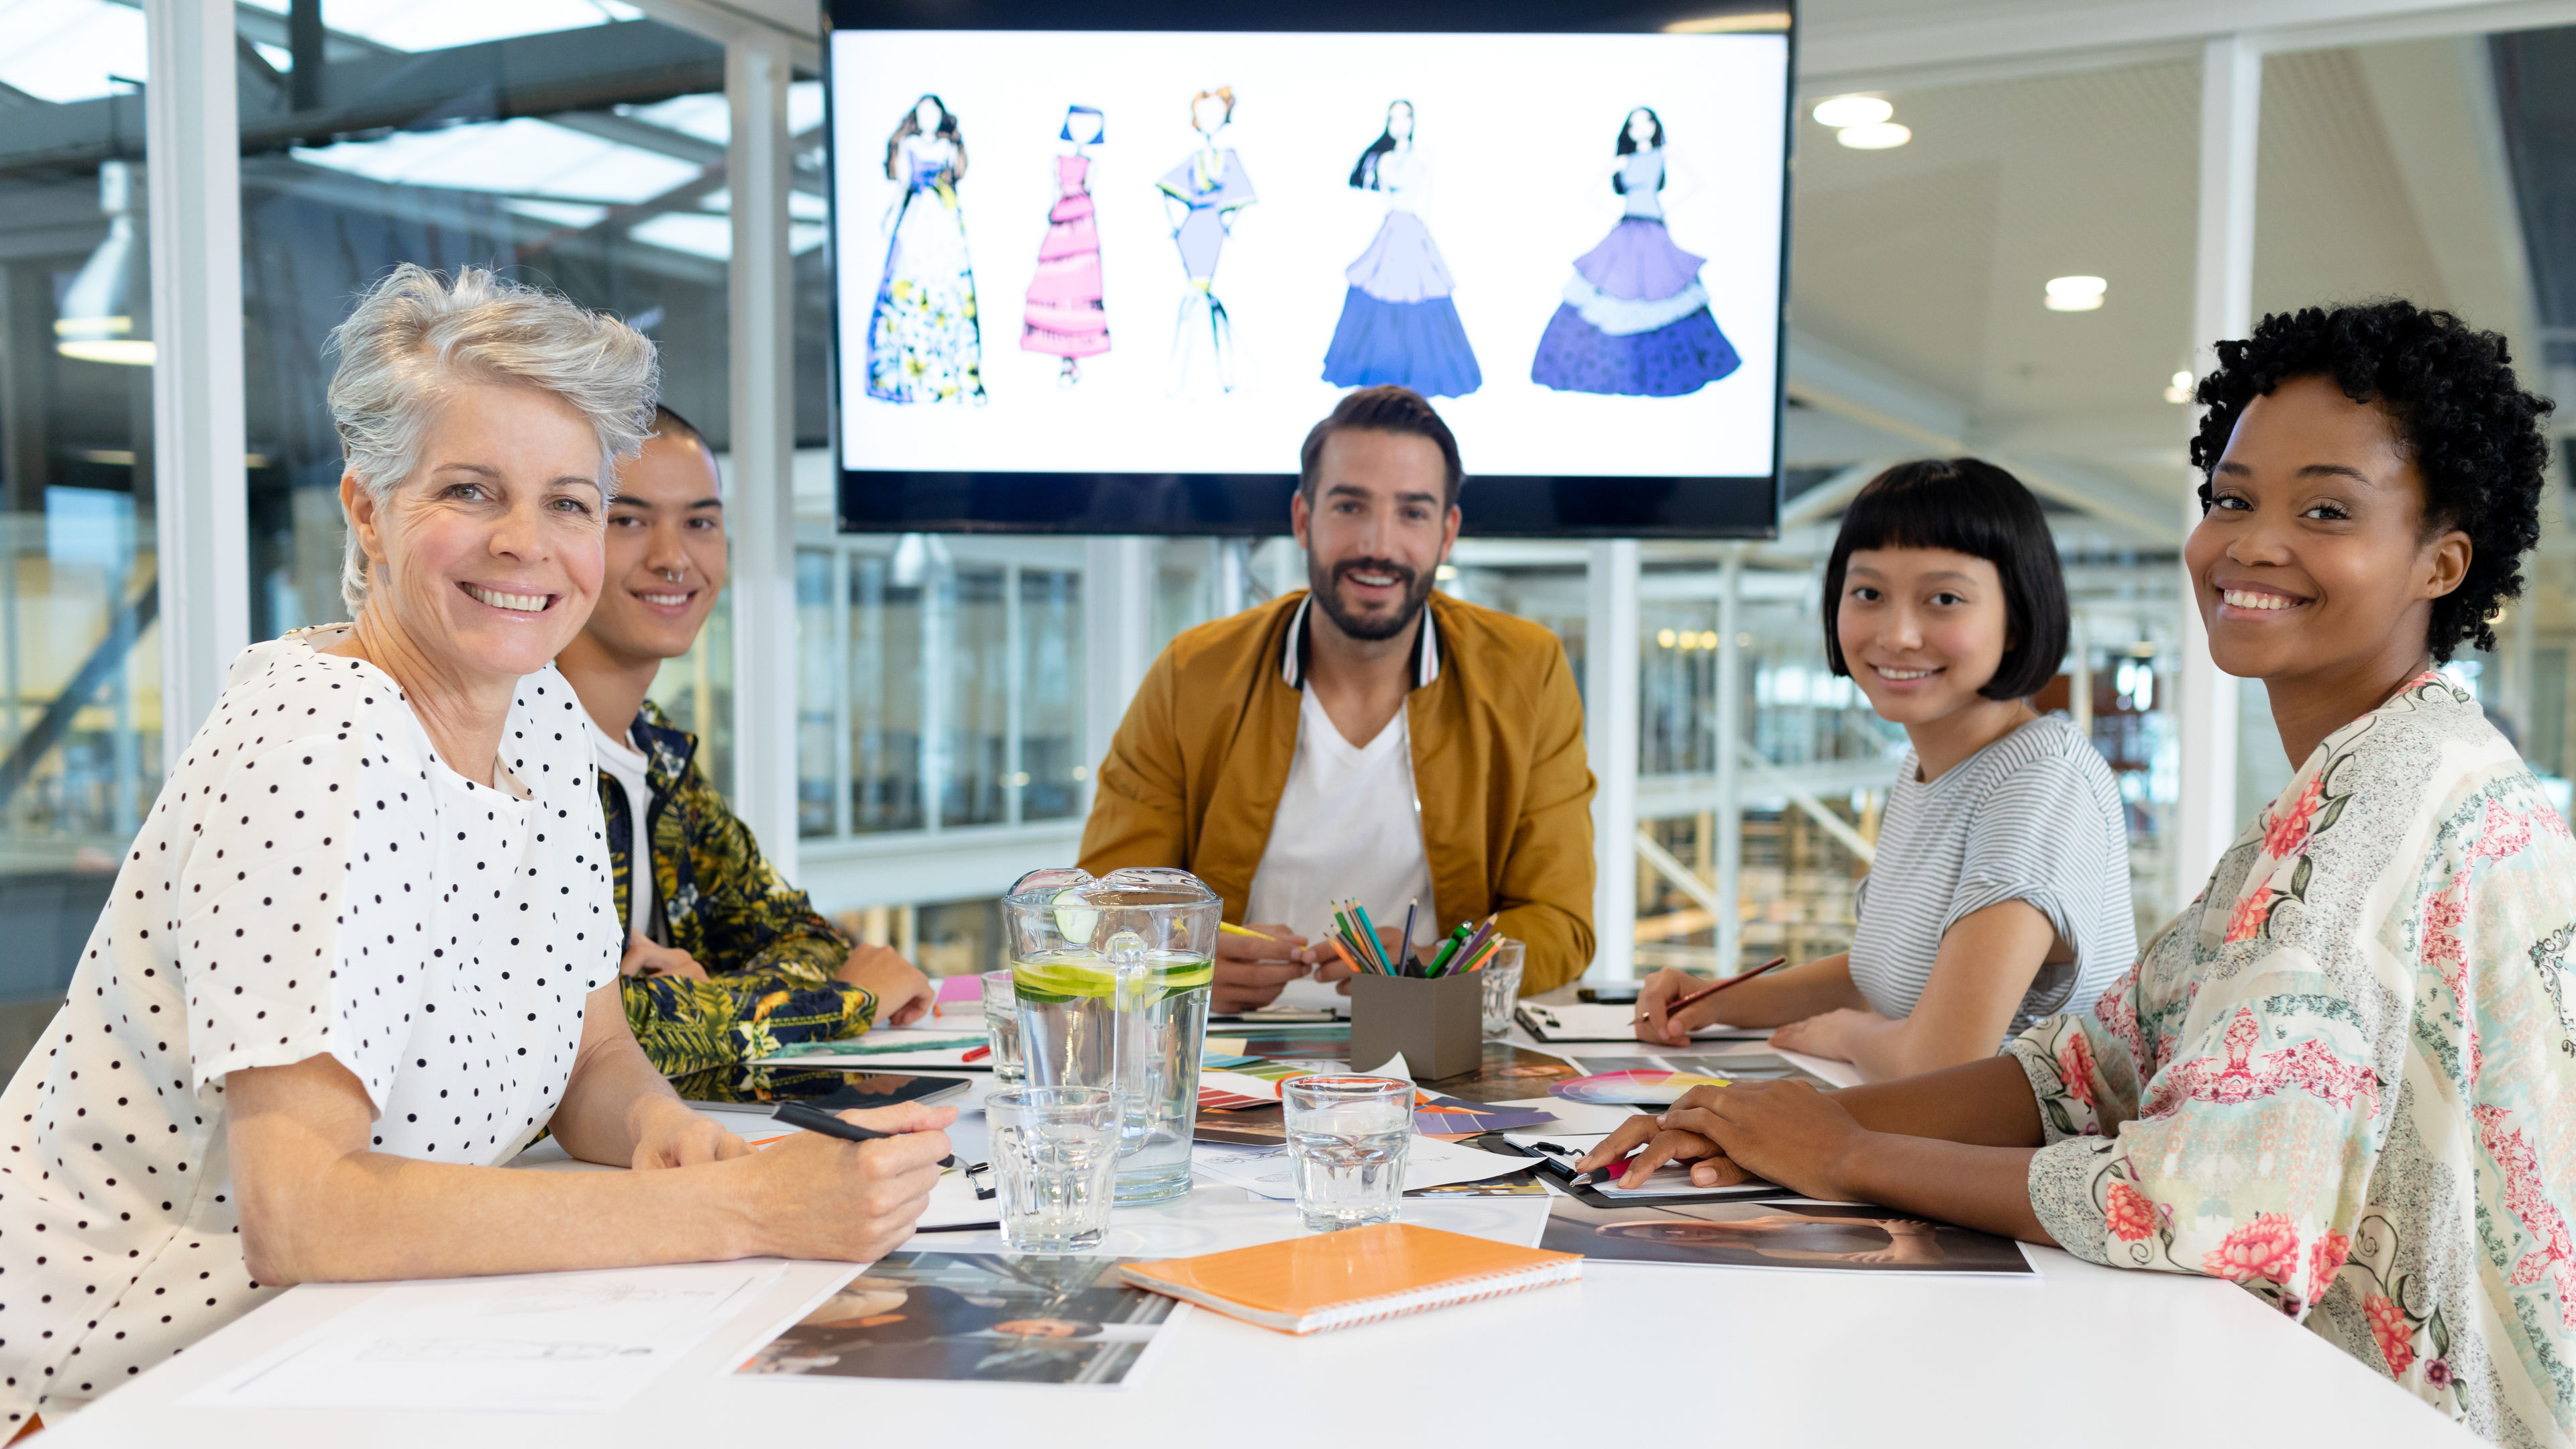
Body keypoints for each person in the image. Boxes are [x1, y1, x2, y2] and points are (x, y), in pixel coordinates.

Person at [1578, 301, 2576, 1445]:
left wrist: (1844, 1148)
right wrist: (1771, 1119)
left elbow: (2204, 1208)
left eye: (2327, 510)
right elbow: (2094, 1063)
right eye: (2233, 500)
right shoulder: (2358, 779)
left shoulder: (2388, 814)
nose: (2253, 542)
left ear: (2442, 562)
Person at [0, 265, 954, 1432]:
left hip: (369, 1347)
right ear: (367, 508)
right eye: (471, 489)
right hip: (118, 1386)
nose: (527, 544)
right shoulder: (312, 744)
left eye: (567, 502)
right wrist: (746, 1209)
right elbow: (305, 1215)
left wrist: (668, 1134)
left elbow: (593, 1051)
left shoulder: (542, 715)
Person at [1079, 385, 1594, 1012]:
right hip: (1227, 1058)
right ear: (1303, 518)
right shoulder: (1195, 671)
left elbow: (1561, 924)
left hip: (1437, 1050)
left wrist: (1426, 965)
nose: (1379, 544)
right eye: (1350, 507)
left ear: (1447, 533)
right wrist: (1183, 957)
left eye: (1412, 513)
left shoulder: (1526, 670)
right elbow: (1108, 906)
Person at [1632, 460, 2134, 1080]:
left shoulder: (2041, 781)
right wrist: (1718, 999)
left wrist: (1850, 1034)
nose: (1897, 635)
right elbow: (1892, 968)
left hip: (2010, 1163)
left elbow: (1945, 1064)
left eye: (1944, 600)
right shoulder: (1930, 764)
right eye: (1868, 593)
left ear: (2017, 617)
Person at [552, 406, 936, 1084]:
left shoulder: (657, 749)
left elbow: (806, 937)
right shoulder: (514, 751)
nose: (673, 558)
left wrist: (695, 999)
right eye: (629, 520)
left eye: (700, 522)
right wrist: (845, 1001)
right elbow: (579, 1028)